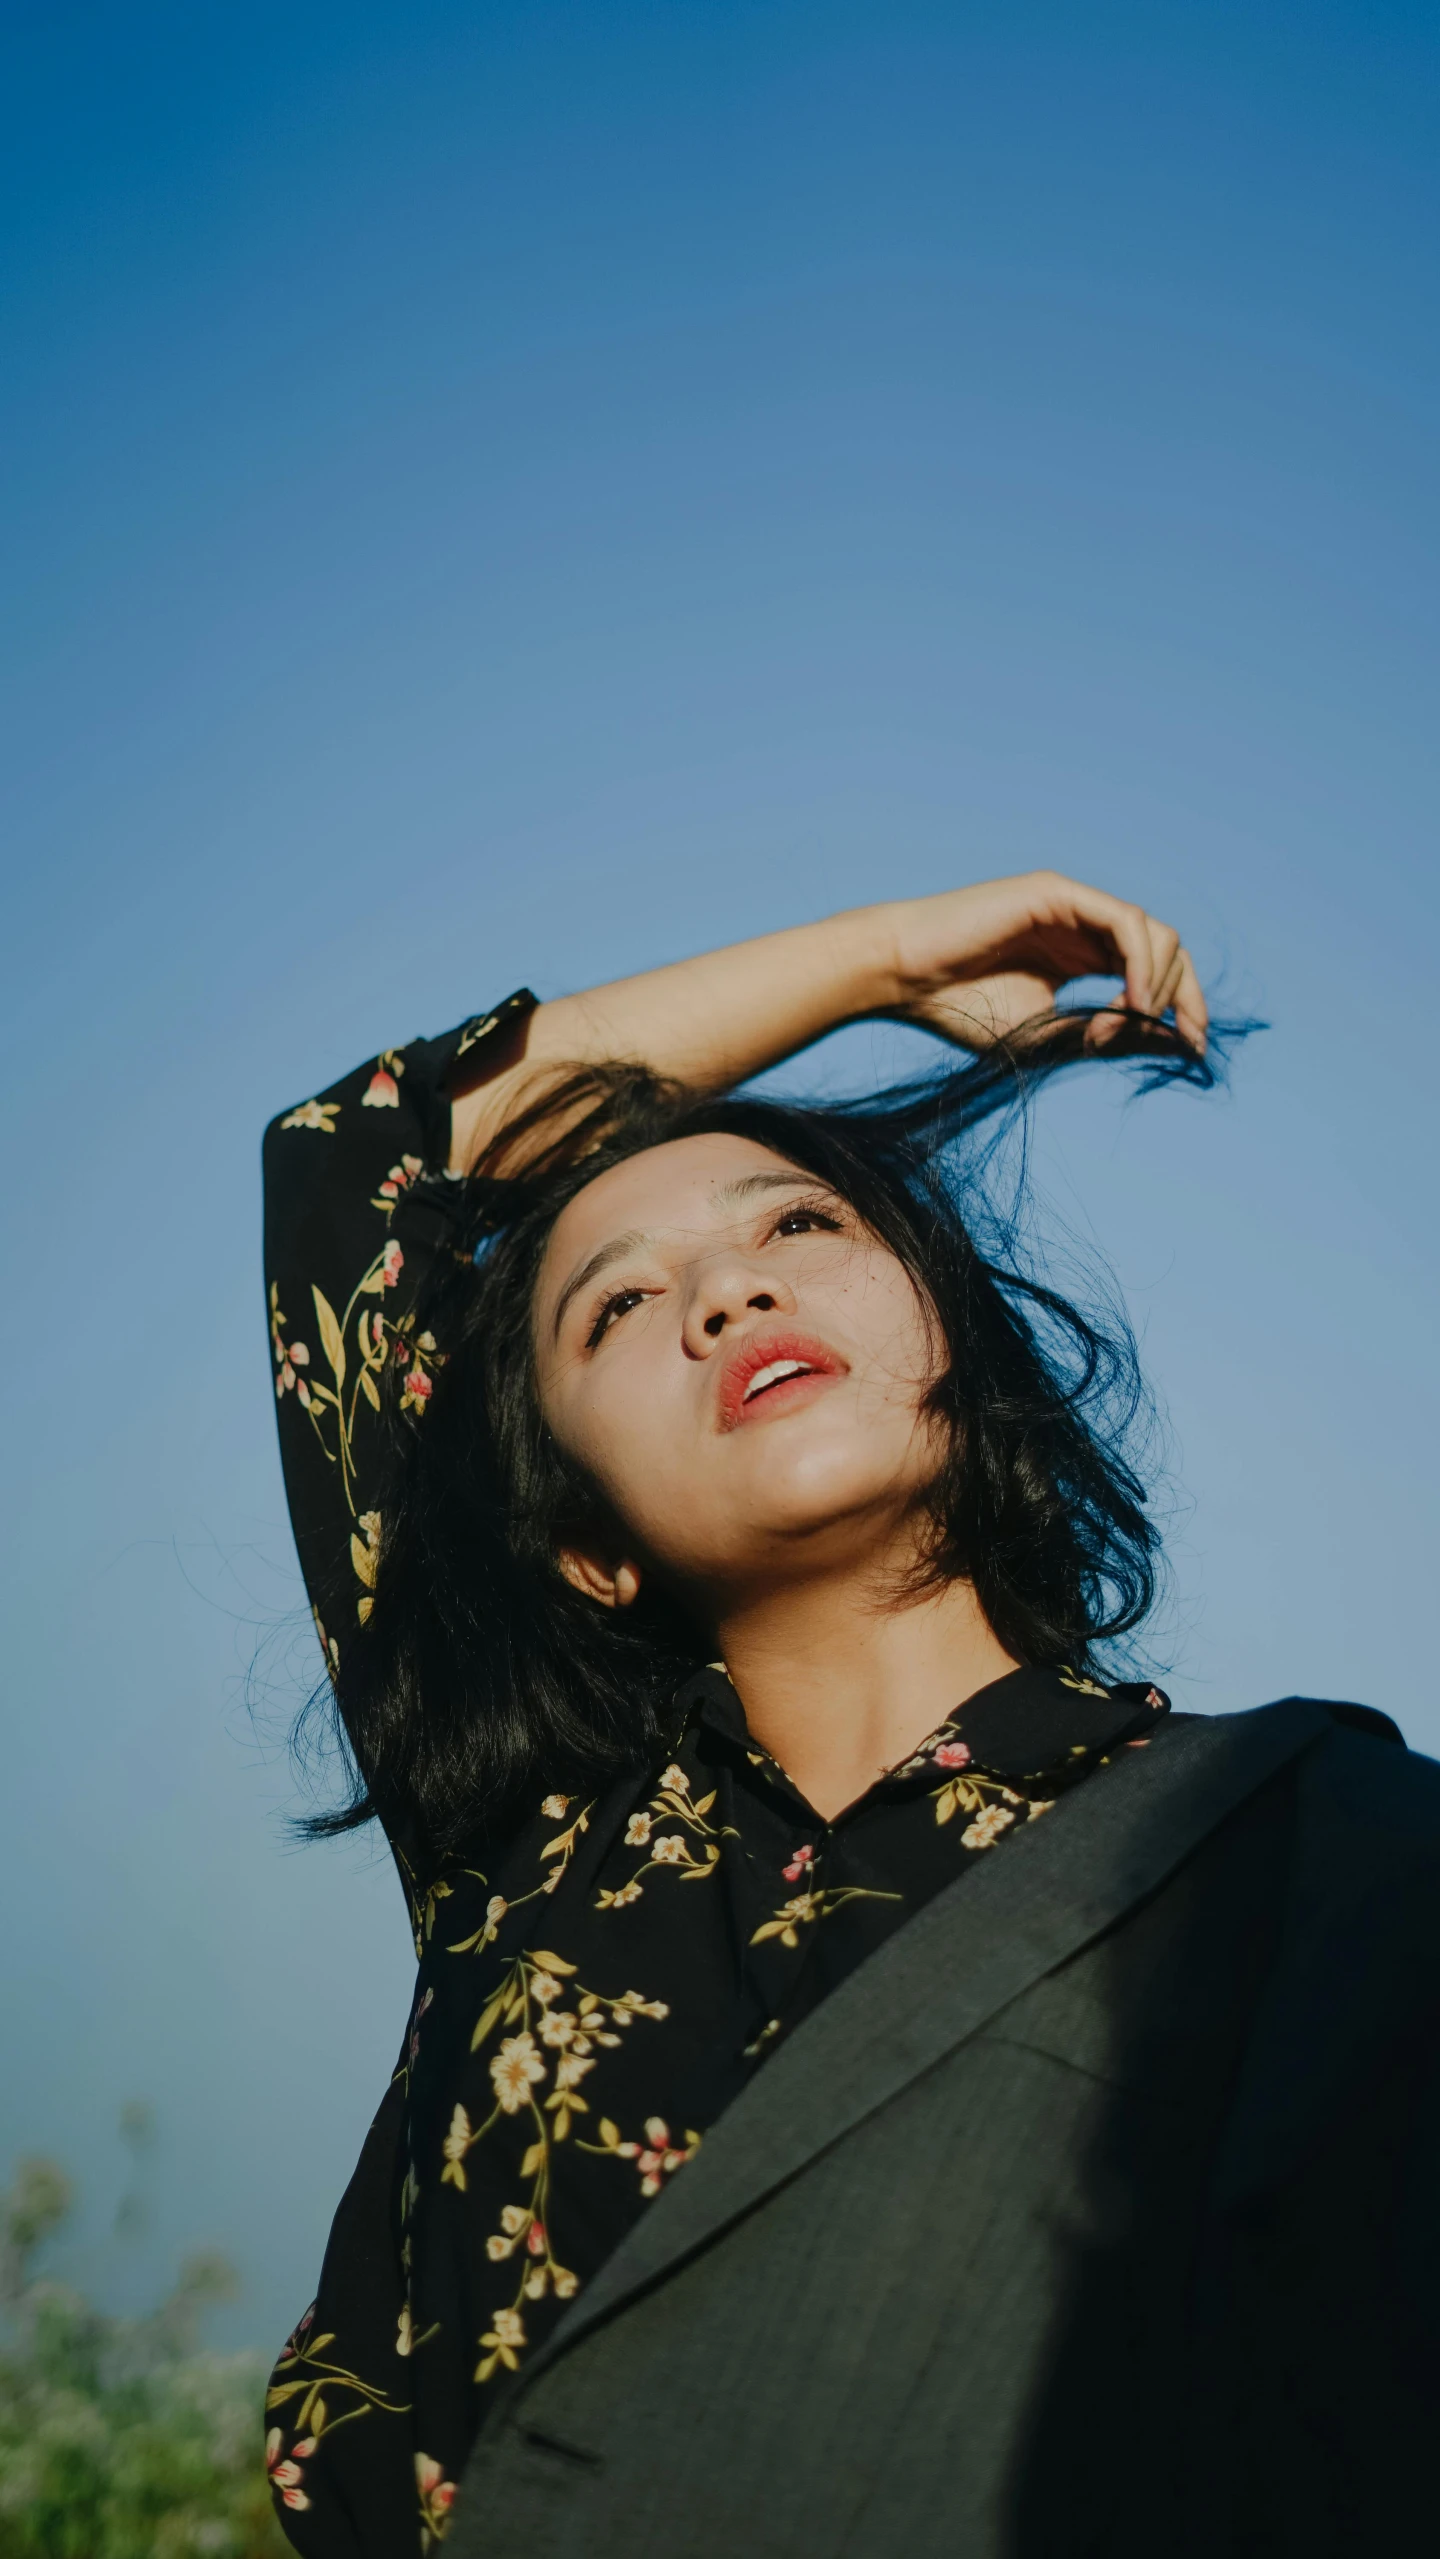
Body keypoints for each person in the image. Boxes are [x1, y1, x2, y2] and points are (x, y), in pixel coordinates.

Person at [261, 877, 1439, 2559]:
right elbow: (356, 1162)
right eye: (617, 1305)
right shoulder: (526, 1840)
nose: (726, 1296)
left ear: (955, 1334)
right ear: (584, 1545)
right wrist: (892, 965)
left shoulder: (1292, 1845)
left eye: (796, 1227)